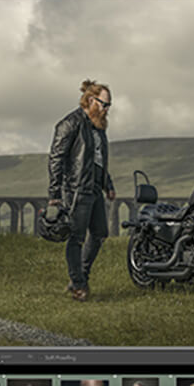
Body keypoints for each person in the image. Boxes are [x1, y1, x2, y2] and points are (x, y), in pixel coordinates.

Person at [48, 79, 116, 302]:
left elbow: (98, 160)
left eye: (109, 105)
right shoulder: (70, 123)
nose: (106, 109)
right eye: (103, 104)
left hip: (94, 188)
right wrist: (55, 194)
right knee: (76, 238)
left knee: (99, 234)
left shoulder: (98, 128)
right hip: (76, 190)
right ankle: (78, 284)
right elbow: (56, 158)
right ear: (89, 100)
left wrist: (108, 185)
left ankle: (80, 276)